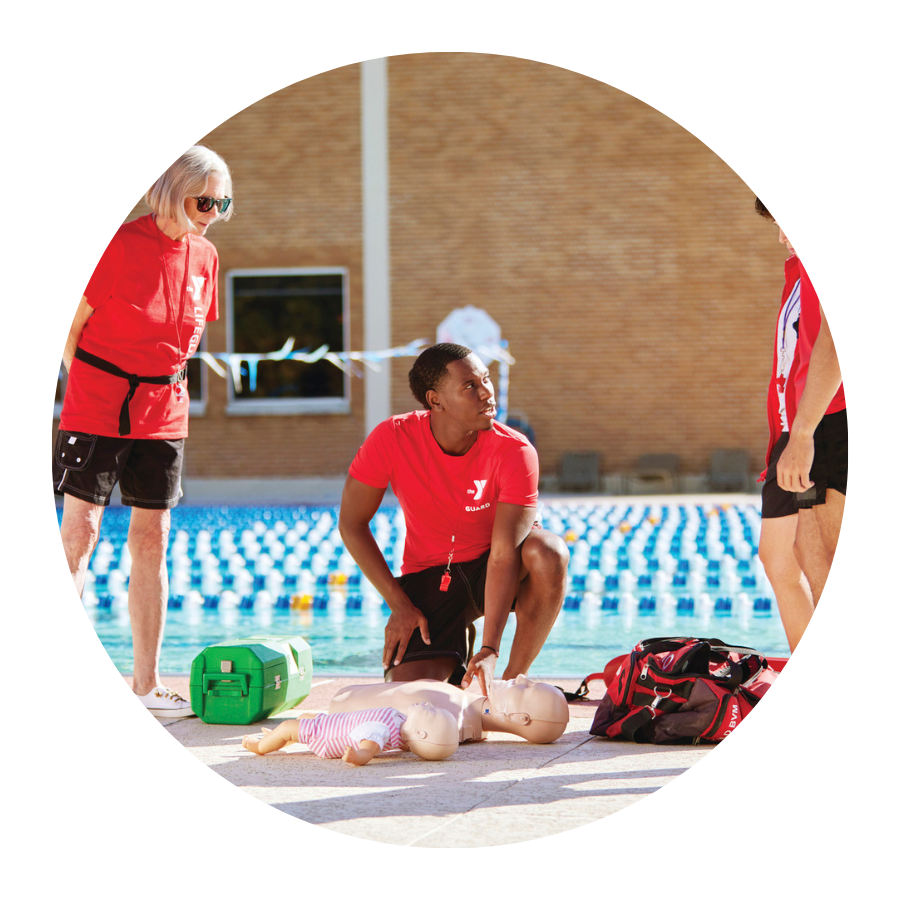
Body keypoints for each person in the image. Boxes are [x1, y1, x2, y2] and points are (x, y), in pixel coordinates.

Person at [54, 145, 234, 716]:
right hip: (98, 402)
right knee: (81, 533)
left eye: (223, 203)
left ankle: (146, 682)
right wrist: (88, 386)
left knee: (152, 540)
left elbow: (192, 335)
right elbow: (74, 328)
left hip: (165, 408)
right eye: (205, 199)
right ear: (172, 189)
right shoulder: (119, 244)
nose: (213, 211)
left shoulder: (206, 256)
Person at [339, 343, 568, 693]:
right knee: (412, 699)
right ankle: (455, 640)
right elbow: (351, 523)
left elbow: (505, 553)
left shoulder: (515, 451)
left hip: (492, 566)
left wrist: (490, 647)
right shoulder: (393, 437)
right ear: (435, 401)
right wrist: (399, 605)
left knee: (548, 551)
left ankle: (508, 685)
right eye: (469, 386)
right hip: (430, 576)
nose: (486, 393)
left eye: (486, 379)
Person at [754, 198, 846, 649]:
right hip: (803, 429)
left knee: (823, 561)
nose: (780, 237)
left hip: (828, 423)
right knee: (807, 560)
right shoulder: (797, 274)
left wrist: (805, 432)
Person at [328, 675, 570, 744]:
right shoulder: (463, 708)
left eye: (526, 688)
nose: (520, 677)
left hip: (334, 715)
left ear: (520, 718)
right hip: (344, 699)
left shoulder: (446, 721)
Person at [241, 703, 459, 764]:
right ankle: (279, 740)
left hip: (326, 736)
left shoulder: (380, 732)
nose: (429, 704)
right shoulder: (403, 726)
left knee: (289, 726)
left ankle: (260, 747)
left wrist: (357, 757)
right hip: (329, 723)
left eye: (431, 711)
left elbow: (368, 750)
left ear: (420, 733)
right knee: (304, 718)